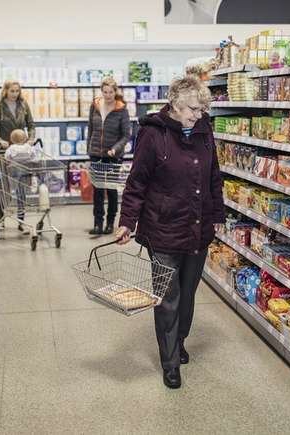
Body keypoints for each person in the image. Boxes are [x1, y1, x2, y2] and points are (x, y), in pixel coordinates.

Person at [115, 76, 225, 389]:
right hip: (162, 230)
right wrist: (127, 221)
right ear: (175, 103)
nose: (198, 115)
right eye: (193, 108)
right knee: (167, 297)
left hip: (197, 228)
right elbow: (137, 182)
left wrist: (217, 215)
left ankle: (180, 339)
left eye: (202, 109)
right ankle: (170, 360)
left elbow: (213, 177)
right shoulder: (153, 134)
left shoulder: (205, 132)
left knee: (187, 294)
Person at [0, 80, 36, 229]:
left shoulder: (23, 105)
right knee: (2, 185)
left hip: (21, 152)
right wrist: (0, 140)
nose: (15, 94)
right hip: (3, 152)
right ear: (5, 91)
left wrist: (31, 139)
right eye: (12, 91)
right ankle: (1, 218)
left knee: (21, 185)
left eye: (17, 91)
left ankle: (21, 220)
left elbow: (31, 125)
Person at [86, 77, 131, 235]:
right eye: (105, 92)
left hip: (113, 156)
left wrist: (115, 148)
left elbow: (126, 135)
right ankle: (98, 223)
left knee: (111, 191)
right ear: (101, 91)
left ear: (115, 91)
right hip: (96, 153)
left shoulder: (121, 109)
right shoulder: (95, 105)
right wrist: (89, 149)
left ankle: (110, 223)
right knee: (97, 190)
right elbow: (90, 128)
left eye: (111, 92)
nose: (108, 95)